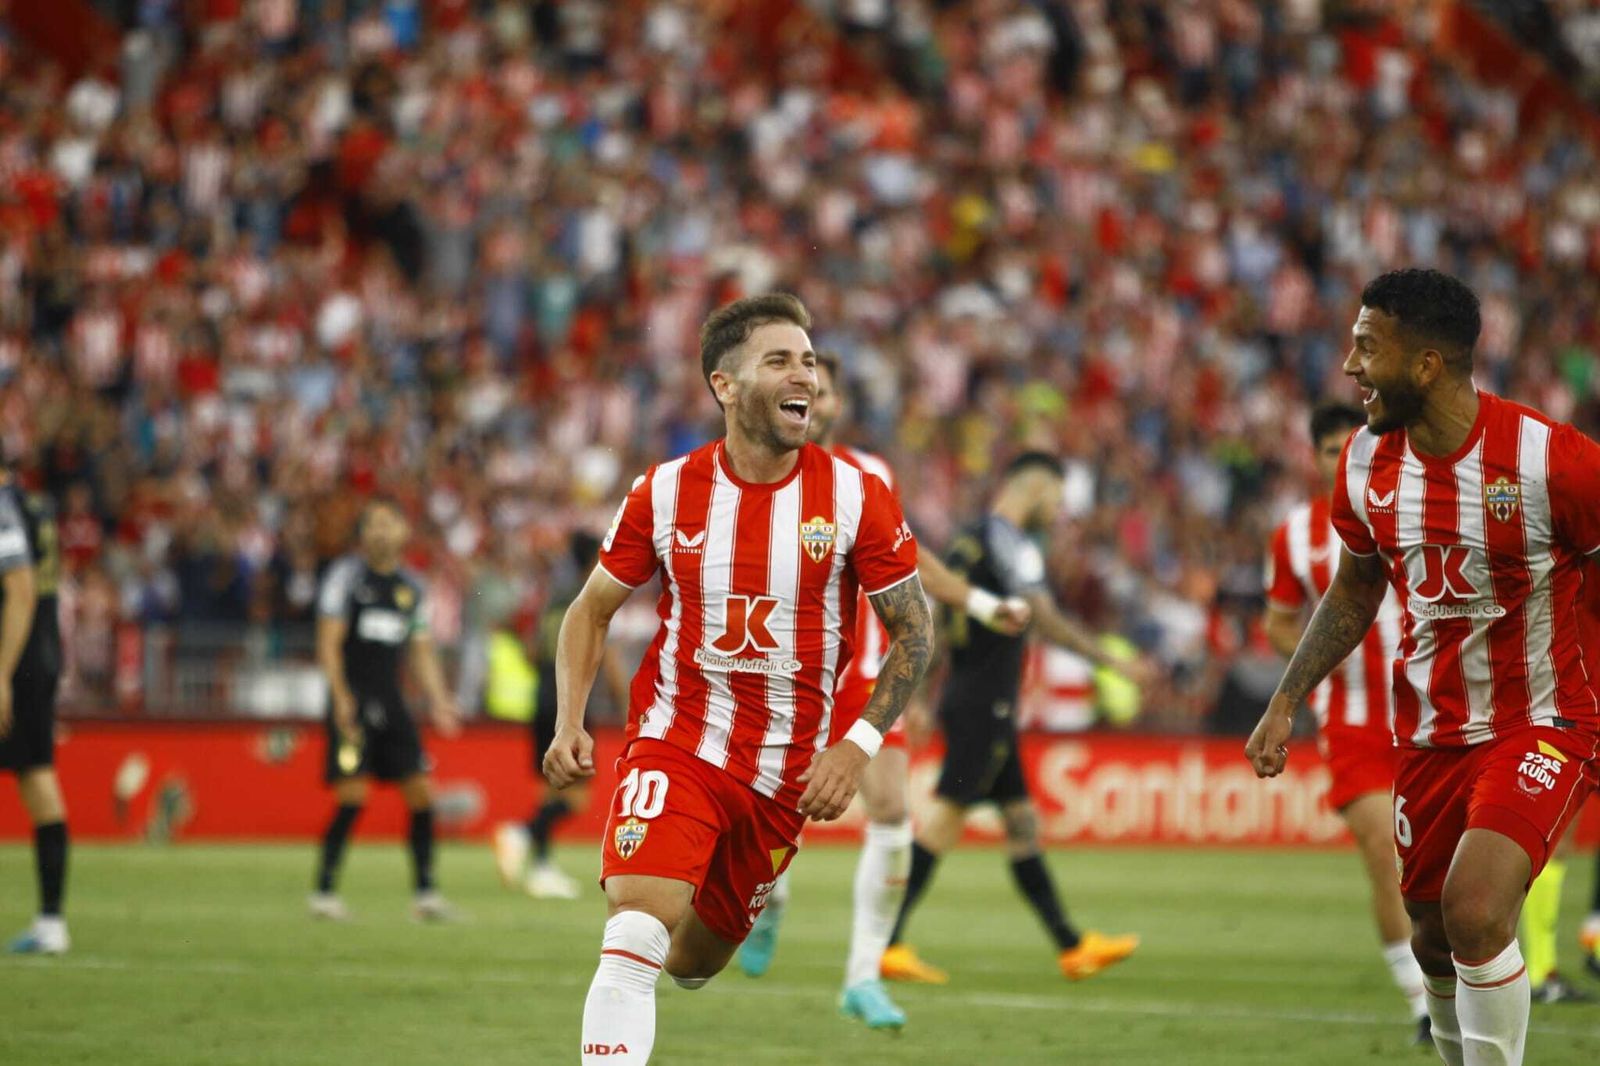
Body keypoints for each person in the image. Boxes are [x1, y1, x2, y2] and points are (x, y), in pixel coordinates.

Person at [545, 294, 935, 1066]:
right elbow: (588, 612)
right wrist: (569, 721)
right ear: (725, 386)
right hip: (678, 741)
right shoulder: (663, 492)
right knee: (635, 924)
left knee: (690, 964)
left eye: (811, 361)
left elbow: (915, 635)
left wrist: (854, 748)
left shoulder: (855, 495)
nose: (807, 377)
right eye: (782, 360)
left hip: (783, 774)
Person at [1246, 268, 1600, 1066]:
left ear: (1427, 364)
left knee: (1476, 912)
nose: (1349, 368)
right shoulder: (1368, 466)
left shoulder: (1553, 461)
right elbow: (1354, 589)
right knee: (1434, 935)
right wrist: (1285, 698)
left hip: (1542, 722)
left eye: (1366, 348)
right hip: (1433, 735)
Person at [734, 350, 1031, 1031]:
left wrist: (981, 607)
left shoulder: (868, 477)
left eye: (824, 388)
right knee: (771, 818)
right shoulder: (758, 474)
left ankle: (862, 977)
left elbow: (911, 563)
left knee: (894, 811)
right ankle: (770, 902)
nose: (813, 396)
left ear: (834, 403)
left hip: (866, 673)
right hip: (787, 672)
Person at [882, 451, 1143, 985]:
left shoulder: (966, 538)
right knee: (946, 818)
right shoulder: (1011, 542)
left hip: (969, 695)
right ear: (1040, 487)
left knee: (1022, 822)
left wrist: (924, 693)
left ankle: (1071, 945)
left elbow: (937, 612)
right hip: (986, 702)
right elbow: (1042, 617)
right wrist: (1112, 660)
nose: (1059, 511)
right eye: (1058, 498)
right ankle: (887, 942)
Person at [1263, 400, 1429, 1041]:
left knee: (1445, 866)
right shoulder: (1294, 535)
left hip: (1431, 711)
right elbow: (1278, 620)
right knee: (1386, 857)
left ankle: (1459, 984)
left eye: (1351, 447)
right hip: (1352, 722)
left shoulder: (1410, 504)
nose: (1344, 460)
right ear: (1316, 458)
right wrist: (1312, 659)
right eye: (1332, 451)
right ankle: (1421, 1005)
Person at [309, 496, 462, 922]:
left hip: (392, 702)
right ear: (362, 535)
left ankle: (426, 893)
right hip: (354, 699)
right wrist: (339, 696)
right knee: (352, 796)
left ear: (403, 531)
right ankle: (323, 891)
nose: (380, 531)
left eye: (388, 523)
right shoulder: (346, 578)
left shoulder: (411, 587)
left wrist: (438, 701)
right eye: (372, 524)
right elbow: (329, 642)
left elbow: (421, 652)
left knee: (421, 794)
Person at [493, 530, 629, 899]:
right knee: (576, 797)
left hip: (542, 699)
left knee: (550, 789)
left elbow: (532, 649)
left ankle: (540, 867)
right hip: (574, 704)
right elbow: (610, 658)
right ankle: (521, 835)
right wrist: (624, 702)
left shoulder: (553, 598)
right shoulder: (596, 595)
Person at [0, 466, 68, 955]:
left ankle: (51, 924)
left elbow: (19, 589)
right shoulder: (36, 506)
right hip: (43, 653)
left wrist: (1, 671)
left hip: (15, 660)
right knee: (37, 777)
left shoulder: (4, 510)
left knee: (38, 780)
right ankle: (51, 922)